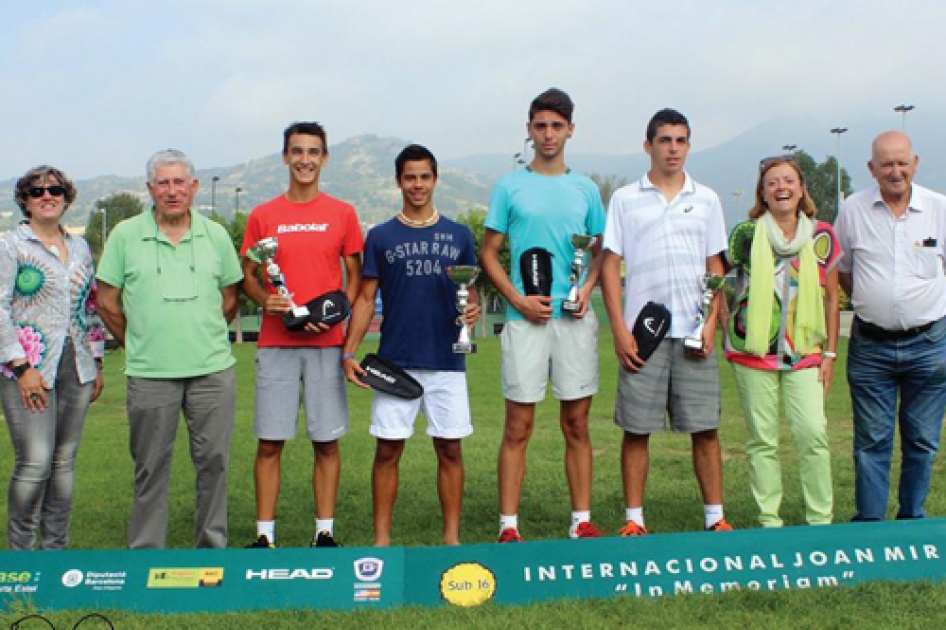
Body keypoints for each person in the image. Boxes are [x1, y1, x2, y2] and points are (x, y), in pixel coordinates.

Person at [96, 149, 242, 549]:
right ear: (150, 189)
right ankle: (145, 552)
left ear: (193, 187)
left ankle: (212, 547)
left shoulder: (215, 235)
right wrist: (139, 341)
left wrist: (205, 334)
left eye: (180, 182)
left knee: (214, 464)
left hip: (211, 371)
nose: (172, 191)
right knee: (150, 468)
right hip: (150, 374)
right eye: (163, 182)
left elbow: (230, 298)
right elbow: (107, 300)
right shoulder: (125, 235)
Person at [482, 88, 606, 542]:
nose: (548, 134)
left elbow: (600, 253)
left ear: (570, 129)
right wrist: (517, 299)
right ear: (529, 130)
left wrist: (587, 289)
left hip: (573, 320)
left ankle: (581, 521)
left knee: (576, 423)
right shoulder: (509, 186)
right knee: (519, 425)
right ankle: (509, 527)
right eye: (540, 126)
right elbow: (489, 253)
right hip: (524, 321)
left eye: (557, 126)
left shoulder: (586, 188)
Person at [600, 108, 732, 535]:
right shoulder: (625, 198)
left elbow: (716, 267)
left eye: (680, 140)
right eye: (664, 140)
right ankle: (634, 519)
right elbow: (609, 265)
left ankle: (715, 517)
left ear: (688, 146)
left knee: (705, 429)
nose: (673, 148)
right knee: (638, 430)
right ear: (648, 146)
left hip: (694, 333)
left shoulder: (707, 199)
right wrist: (619, 328)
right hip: (645, 336)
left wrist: (711, 323)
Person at [343, 144, 480, 546]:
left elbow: (470, 294)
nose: (417, 185)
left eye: (424, 176)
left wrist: (472, 310)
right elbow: (366, 298)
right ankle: (382, 540)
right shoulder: (381, 236)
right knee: (387, 451)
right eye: (410, 177)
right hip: (396, 362)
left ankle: (451, 539)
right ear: (398, 181)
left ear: (435, 180)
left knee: (450, 450)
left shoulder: (459, 234)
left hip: (446, 361)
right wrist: (349, 352)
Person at [241, 122, 363, 549]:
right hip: (276, 343)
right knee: (270, 440)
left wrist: (335, 315)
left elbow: (355, 276)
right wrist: (264, 301)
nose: (305, 160)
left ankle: (324, 531)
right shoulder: (263, 215)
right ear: (285, 157)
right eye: (297, 151)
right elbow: (250, 277)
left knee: (326, 442)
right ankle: (264, 535)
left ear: (324, 158)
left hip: (326, 346)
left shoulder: (343, 213)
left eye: (313, 152)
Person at [835, 130, 946, 522]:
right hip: (871, 346)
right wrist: (878, 301)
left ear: (915, 163)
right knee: (871, 441)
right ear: (872, 169)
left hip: (930, 344)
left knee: (922, 440)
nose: (895, 172)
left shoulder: (940, 208)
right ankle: (869, 525)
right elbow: (844, 271)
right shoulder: (852, 210)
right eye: (886, 164)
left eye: (902, 163)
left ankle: (912, 519)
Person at [724, 156, 839, 527]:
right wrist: (730, 330)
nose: (781, 187)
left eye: (788, 180)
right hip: (754, 354)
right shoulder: (746, 235)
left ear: (802, 188)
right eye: (772, 182)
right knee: (762, 440)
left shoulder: (822, 235)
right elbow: (722, 286)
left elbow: (832, 298)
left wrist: (831, 353)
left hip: (805, 352)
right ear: (763, 192)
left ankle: (820, 518)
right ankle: (769, 519)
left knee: (813, 434)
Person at [0, 166, 105, 550]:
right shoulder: (12, 245)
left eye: (55, 189)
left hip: (75, 365)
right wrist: (20, 366)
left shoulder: (79, 247)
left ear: (66, 196)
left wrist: (96, 361)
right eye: (37, 191)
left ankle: (55, 554)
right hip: (28, 368)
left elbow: (89, 306)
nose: (48, 195)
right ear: (25, 200)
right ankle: (22, 556)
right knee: (35, 461)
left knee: (63, 463)